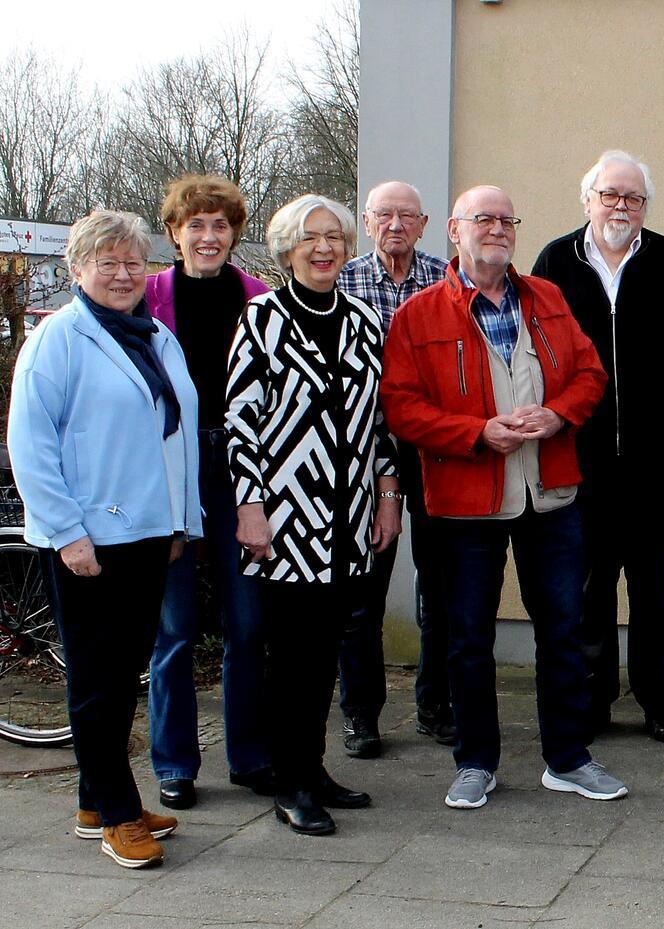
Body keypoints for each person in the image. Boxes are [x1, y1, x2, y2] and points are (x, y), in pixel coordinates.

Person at [382, 185, 626, 810]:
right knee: (467, 637)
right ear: (455, 232)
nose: (497, 229)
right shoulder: (418, 314)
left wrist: (558, 415)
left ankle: (568, 759)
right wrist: (474, 433)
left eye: (506, 219)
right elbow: (402, 407)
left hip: (550, 492)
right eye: (483, 219)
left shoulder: (547, 297)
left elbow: (591, 374)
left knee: (563, 631)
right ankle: (475, 761)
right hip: (466, 501)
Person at [9, 209, 199, 867]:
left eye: (133, 262)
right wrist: (66, 532)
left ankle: (96, 797)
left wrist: (181, 521)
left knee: (121, 676)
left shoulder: (154, 337)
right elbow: (29, 443)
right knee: (97, 679)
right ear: (78, 269)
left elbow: (175, 443)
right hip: (88, 537)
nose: (122, 274)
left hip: (148, 532)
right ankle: (118, 815)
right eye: (107, 263)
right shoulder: (58, 339)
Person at [226, 194, 396, 835]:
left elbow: (383, 423)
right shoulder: (260, 319)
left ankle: (315, 769)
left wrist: (388, 497)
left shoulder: (362, 320)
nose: (324, 248)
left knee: (327, 650)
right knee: (290, 656)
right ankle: (288, 780)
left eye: (334, 237)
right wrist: (249, 507)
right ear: (287, 249)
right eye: (310, 238)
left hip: (349, 517)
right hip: (285, 519)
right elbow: (240, 421)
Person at [531, 150, 664, 741]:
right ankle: (593, 696)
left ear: (645, 205)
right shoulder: (555, 260)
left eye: (633, 197)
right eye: (610, 195)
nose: (621, 206)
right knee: (590, 583)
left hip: (654, 460)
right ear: (588, 200)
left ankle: (657, 698)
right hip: (579, 459)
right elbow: (535, 355)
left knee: (651, 585)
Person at [145, 175, 271, 810]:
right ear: (174, 233)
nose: (208, 235)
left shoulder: (260, 300)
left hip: (239, 466)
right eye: (195, 224)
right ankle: (174, 763)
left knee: (248, 622)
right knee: (174, 626)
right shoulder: (144, 298)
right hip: (168, 468)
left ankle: (249, 758)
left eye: (220, 225)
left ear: (234, 234)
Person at [335, 179, 455, 756]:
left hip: (434, 446)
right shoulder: (342, 280)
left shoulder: (446, 279)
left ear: (425, 224)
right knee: (363, 587)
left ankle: (436, 703)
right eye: (385, 215)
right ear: (366, 221)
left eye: (408, 216)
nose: (396, 226)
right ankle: (361, 713)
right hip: (361, 452)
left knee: (441, 582)